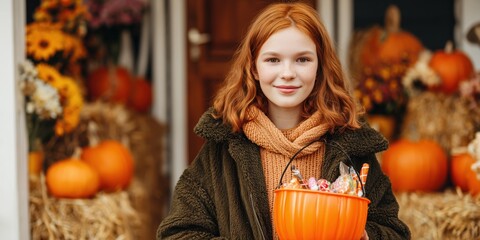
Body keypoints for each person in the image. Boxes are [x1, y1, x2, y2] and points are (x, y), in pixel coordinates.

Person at [157, 2, 410, 240]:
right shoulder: (223, 146)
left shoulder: (350, 146)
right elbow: (178, 232)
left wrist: (366, 235)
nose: (287, 73)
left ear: (320, 66)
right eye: (273, 60)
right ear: (254, 68)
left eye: (302, 59)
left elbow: (393, 230)